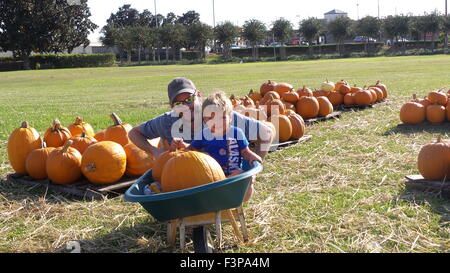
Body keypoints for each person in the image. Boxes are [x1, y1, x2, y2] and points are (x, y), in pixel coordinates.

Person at [128, 77, 274, 160]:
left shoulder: (220, 116)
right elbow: (133, 133)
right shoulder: (167, 122)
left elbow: (266, 133)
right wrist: (154, 151)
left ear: (198, 95)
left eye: (189, 99)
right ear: (172, 106)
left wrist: (254, 165)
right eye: (179, 103)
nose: (186, 106)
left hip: (221, 178)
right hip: (182, 181)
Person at [172, 92, 262, 201]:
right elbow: (191, 150)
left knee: (243, 175)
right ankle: (220, 188)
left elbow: (245, 151)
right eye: (211, 118)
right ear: (205, 119)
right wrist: (181, 145)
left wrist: (253, 156)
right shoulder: (203, 135)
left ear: (231, 117)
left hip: (233, 175)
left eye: (222, 117)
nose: (217, 122)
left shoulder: (237, 133)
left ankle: (226, 186)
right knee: (200, 179)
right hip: (211, 176)